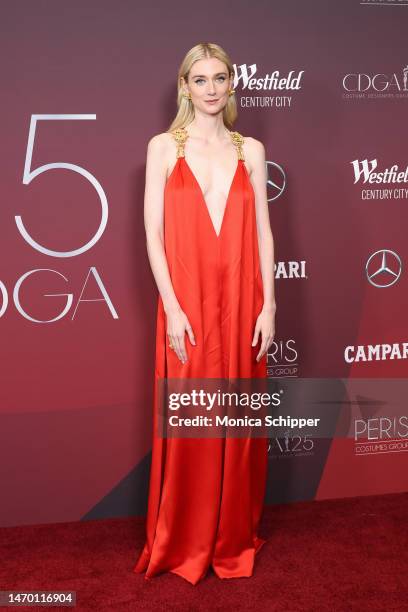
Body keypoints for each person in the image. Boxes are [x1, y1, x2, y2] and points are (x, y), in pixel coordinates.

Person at [133, 42, 276, 585]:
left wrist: (270, 304)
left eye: (220, 78)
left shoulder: (252, 150)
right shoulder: (164, 148)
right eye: (200, 79)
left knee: (236, 417)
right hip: (187, 302)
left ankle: (230, 536)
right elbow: (152, 232)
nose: (212, 88)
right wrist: (171, 305)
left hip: (243, 299)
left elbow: (263, 230)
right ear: (184, 87)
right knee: (193, 418)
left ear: (230, 84)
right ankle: (184, 540)